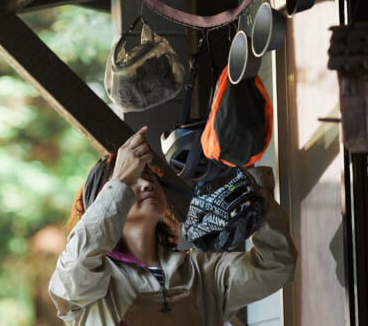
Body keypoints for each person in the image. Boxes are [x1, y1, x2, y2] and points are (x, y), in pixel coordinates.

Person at [49, 126, 297, 325]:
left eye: (148, 177)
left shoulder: (200, 271)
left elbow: (275, 265)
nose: (146, 185)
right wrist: (119, 181)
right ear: (104, 199)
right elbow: (77, 261)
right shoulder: (89, 286)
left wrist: (254, 192)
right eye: (130, 182)